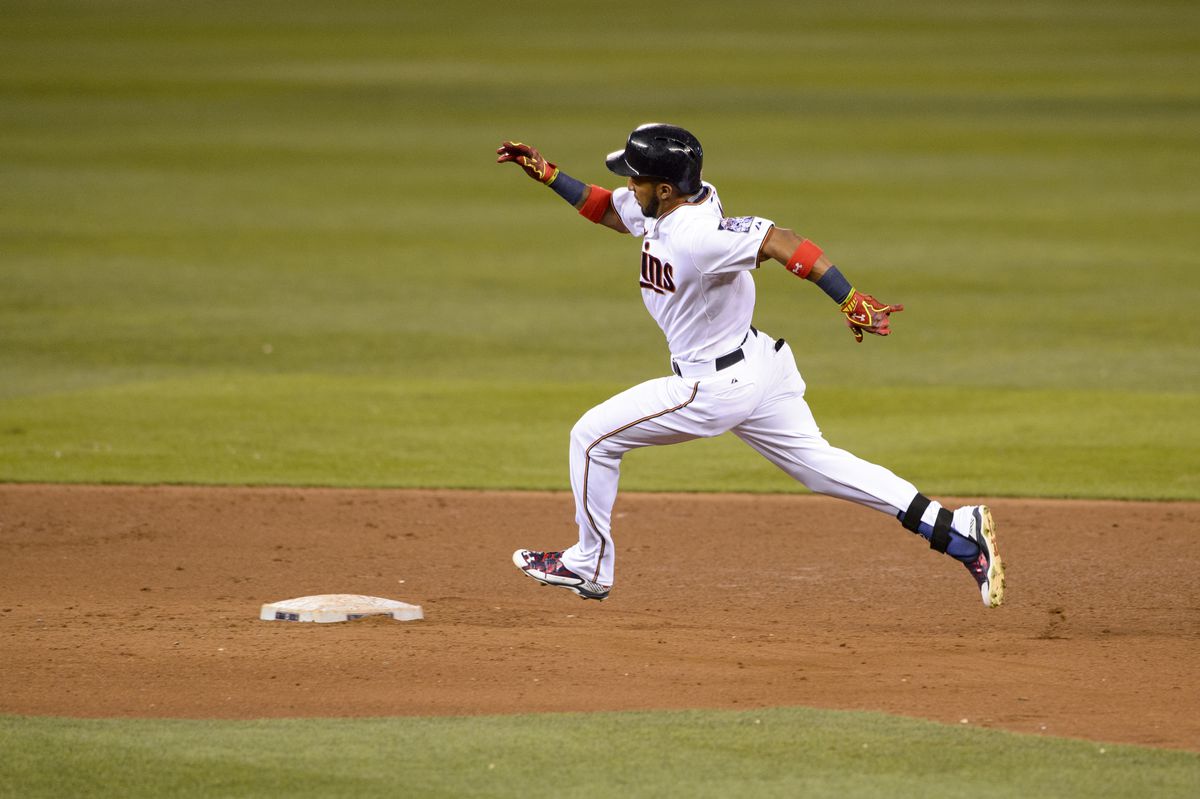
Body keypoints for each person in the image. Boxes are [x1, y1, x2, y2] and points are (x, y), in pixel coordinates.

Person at [496, 123, 1005, 608]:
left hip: (714, 385)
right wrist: (547, 174)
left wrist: (848, 298)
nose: (628, 183)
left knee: (591, 437)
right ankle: (956, 531)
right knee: (823, 468)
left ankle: (589, 565)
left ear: (667, 189)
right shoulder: (674, 204)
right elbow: (608, 208)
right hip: (759, 367)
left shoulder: (698, 238)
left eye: (637, 176)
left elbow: (782, 241)